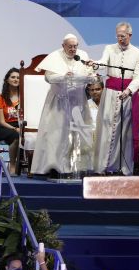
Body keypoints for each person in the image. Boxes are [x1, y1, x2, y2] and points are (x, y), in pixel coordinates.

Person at [31, 33, 96, 177]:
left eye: (75, 46)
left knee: (78, 133)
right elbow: (48, 77)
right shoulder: (55, 57)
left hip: (78, 101)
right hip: (59, 102)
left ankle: (76, 167)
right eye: (70, 46)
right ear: (63, 46)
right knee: (57, 134)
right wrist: (63, 76)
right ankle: (54, 166)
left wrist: (91, 76)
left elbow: (91, 75)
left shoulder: (83, 55)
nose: (73, 49)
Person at [90, 21, 139, 175]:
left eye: (123, 36)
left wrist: (128, 91)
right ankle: (103, 166)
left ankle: (121, 167)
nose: (120, 38)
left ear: (130, 35)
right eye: (118, 36)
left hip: (126, 95)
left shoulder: (138, 53)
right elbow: (102, 62)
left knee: (124, 131)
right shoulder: (109, 48)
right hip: (110, 93)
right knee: (107, 126)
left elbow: (138, 76)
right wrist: (94, 64)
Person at [0, 68, 21, 175]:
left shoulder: (24, 96)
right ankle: (13, 166)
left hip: (19, 125)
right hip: (4, 127)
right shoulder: (1, 97)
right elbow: (1, 121)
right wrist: (16, 129)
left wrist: (20, 128)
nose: (16, 79)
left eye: (18, 77)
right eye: (13, 77)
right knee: (15, 135)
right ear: (7, 80)